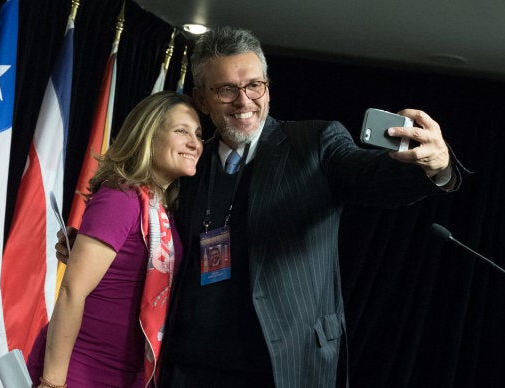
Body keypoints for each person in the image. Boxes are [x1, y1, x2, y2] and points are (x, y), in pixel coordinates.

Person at [56, 26, 465, 387]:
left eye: (254, 85)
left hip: (285, 366)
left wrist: (436, 167)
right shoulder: (188, 162)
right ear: (201, 98)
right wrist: (91, 244)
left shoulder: (315, 143)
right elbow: (152, 233)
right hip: (187, 366)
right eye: (225, 90)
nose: (243, 100)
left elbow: (373, 177)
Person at [28, 91, 203, 388]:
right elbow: (72, 292)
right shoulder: (121, 197)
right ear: (148, 135)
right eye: (181, 131)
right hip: (80, 370)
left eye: (198, 134)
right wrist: (53, 382)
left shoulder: (163, 211)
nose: (194, 143)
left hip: (129, 375)